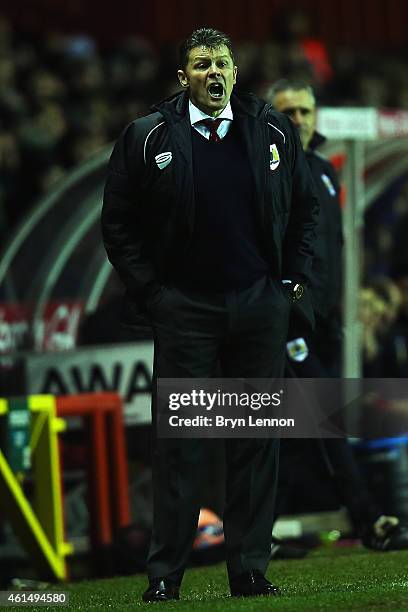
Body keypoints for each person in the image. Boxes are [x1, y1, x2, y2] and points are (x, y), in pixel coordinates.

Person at [102, 29, 319, 602]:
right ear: (184, 78)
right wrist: (154, 294)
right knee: (182, 444)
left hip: (257, 306)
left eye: (222, 63)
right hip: (185, 310)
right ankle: (165, 576)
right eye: (202, 65)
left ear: (234, 69)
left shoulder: (270, 127)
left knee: (254, 441)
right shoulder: (148, 136)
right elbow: (117, 223)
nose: (214, 73)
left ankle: (248, 568)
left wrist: (289, 282)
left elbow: (306, 207)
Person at [267, 79, 408, 554]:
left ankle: (255, 534)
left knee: (290, 432)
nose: (300, 120)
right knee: (324, 420)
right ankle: (371, 520)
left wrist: (348, 305)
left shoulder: (326, 172)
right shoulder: (262, 173)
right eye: (289, 111)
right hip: (286, 324)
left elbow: (335, 248)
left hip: (325, 323)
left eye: (305, 111)